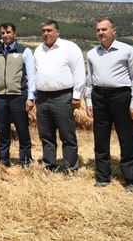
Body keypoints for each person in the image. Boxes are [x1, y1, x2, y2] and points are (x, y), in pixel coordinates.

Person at [85, 18, 133, 193]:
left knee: (127, 139)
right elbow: (89, 81)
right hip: (99, 96)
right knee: (100, 138)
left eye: (104, 29)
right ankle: (103, 177)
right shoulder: (92, 53)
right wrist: (89, 101)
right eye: (98, 30)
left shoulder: (128, 50)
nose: (101, 33)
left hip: (121, 96)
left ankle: (131, 180)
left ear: (114, 31)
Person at [34, 20, 85, 173]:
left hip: (62, 97)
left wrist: (76, 96)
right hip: (42, 98)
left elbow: (79, 72)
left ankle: (70, 167)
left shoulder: (69, 48)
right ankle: (49, 165)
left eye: (49, 30)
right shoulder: (38, 50)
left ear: (57, 32)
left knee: (67, 134)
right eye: (43, 31)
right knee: (46, 135)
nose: (45, 34)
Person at [0, 22, 35, 167]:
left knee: (22, 129)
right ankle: (4, 160)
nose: (5, 35)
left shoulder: (24, 51)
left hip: (18, 95)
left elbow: (32, 75)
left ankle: (25, 161)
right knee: (2, 130)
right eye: (3, 33)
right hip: (1, 96)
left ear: (14, 34)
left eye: (8, 32)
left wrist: (31, 96)